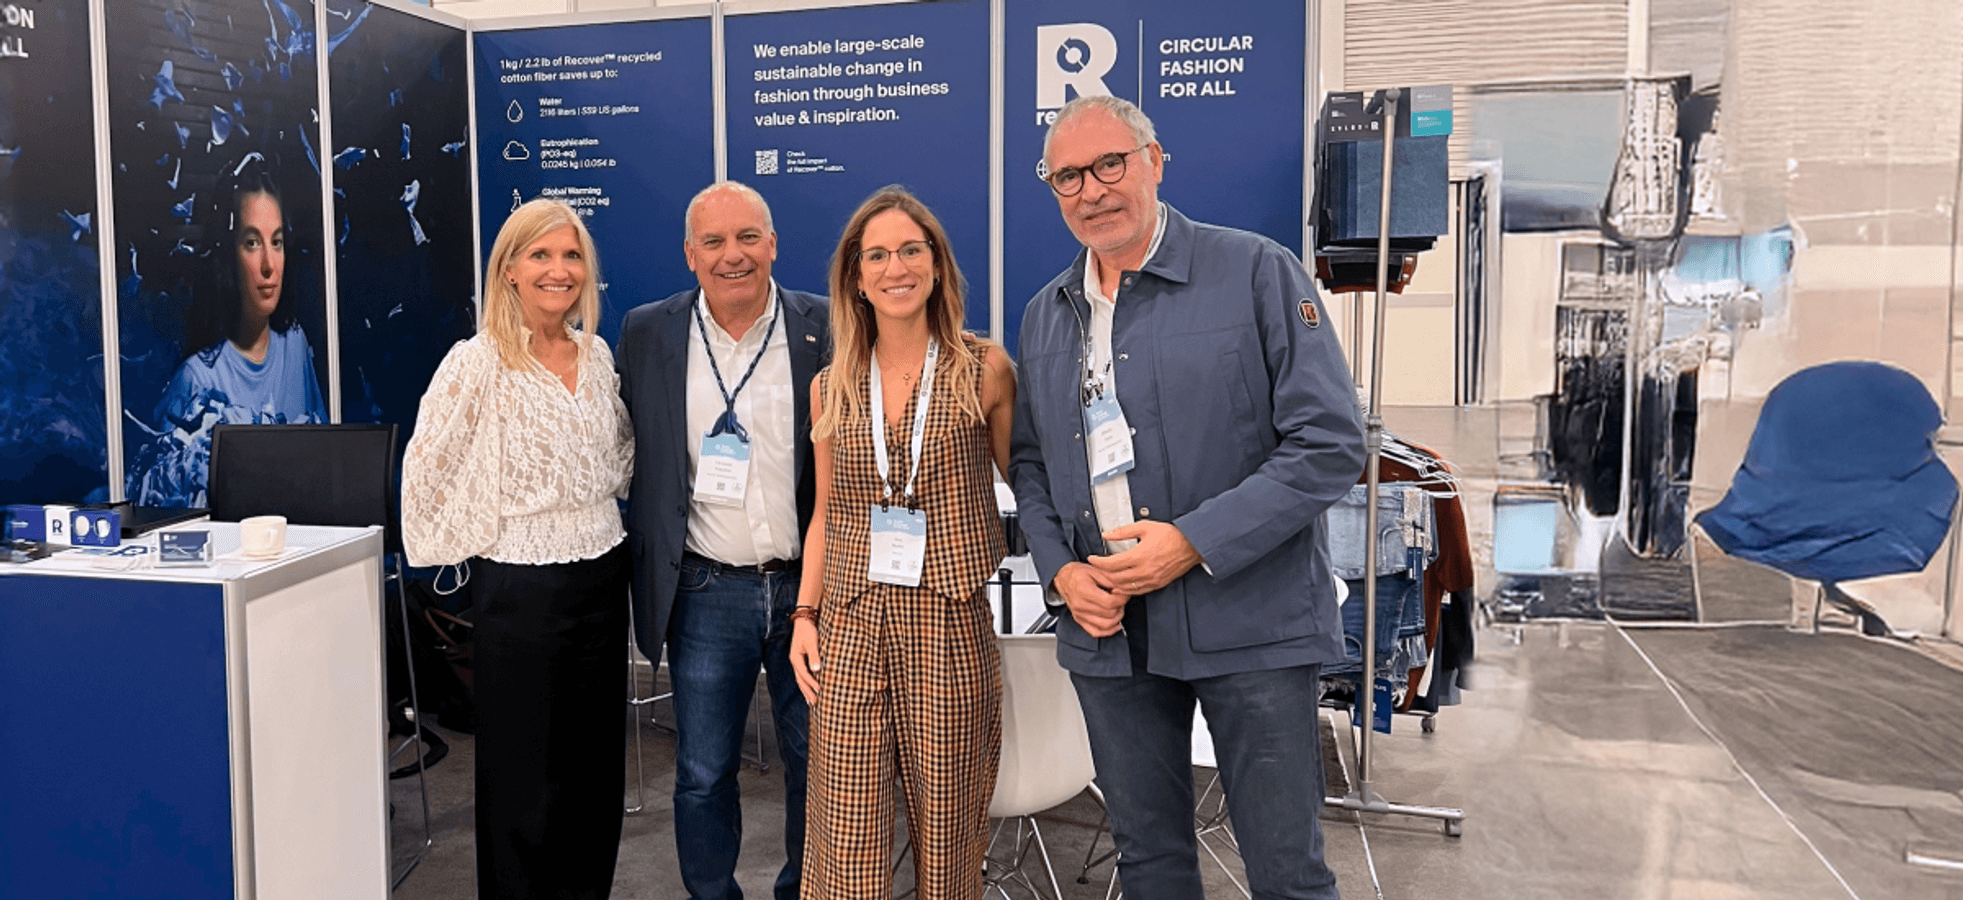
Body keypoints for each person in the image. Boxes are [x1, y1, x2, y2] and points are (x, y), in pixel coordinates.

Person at [1007, 95, 1364, 900]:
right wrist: (1062, 574)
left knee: (1285, 871)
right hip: (1109, 633)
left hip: (1250, 625)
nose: (1092, 190)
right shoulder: (1044, 315)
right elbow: (1029, 465)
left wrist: (1192, 541)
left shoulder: (1255, 271)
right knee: (1150, 864)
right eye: (1068, 176)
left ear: (1154, 161)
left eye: (1109, 164)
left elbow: (1330, 443)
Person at [787, 186, 1017, 900]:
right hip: (849, 627)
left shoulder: (985, 370)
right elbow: (826, 511)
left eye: (910, 250)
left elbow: (1031, 487)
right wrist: (802, 616)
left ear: (937, 265)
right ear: (856, 278)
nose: (895, 268)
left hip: (948, 622)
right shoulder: (831, 387)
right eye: (877, 255)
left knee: (947, 839)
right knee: (844, 839)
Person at [400, 198, 633, 900]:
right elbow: (427, 472)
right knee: (522, 787)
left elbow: (619, 456)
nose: (557, 270)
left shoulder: (596, 356)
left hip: (601, 577)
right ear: (507, 269)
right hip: (521, 591)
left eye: (569, 256)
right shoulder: (475, 363)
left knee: (594, 779)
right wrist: (469, 548)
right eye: (540, 255)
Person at [616, 181, 828, 900]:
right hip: (706, 590)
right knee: (704, 772)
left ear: (772, 244)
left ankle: (803, 890)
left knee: (818, 767)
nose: (731, 255)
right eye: (713, 241)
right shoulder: (647, 331)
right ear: (688, 254)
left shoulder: (824, 326)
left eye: (747, 238)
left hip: (811, 590)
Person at [132, 155, 328, 507]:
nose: (269, 265)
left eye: (277, 242)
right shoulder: (196, 380)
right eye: (252, 243)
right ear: (226, 255)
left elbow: (328, 469)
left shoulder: (295, 344)